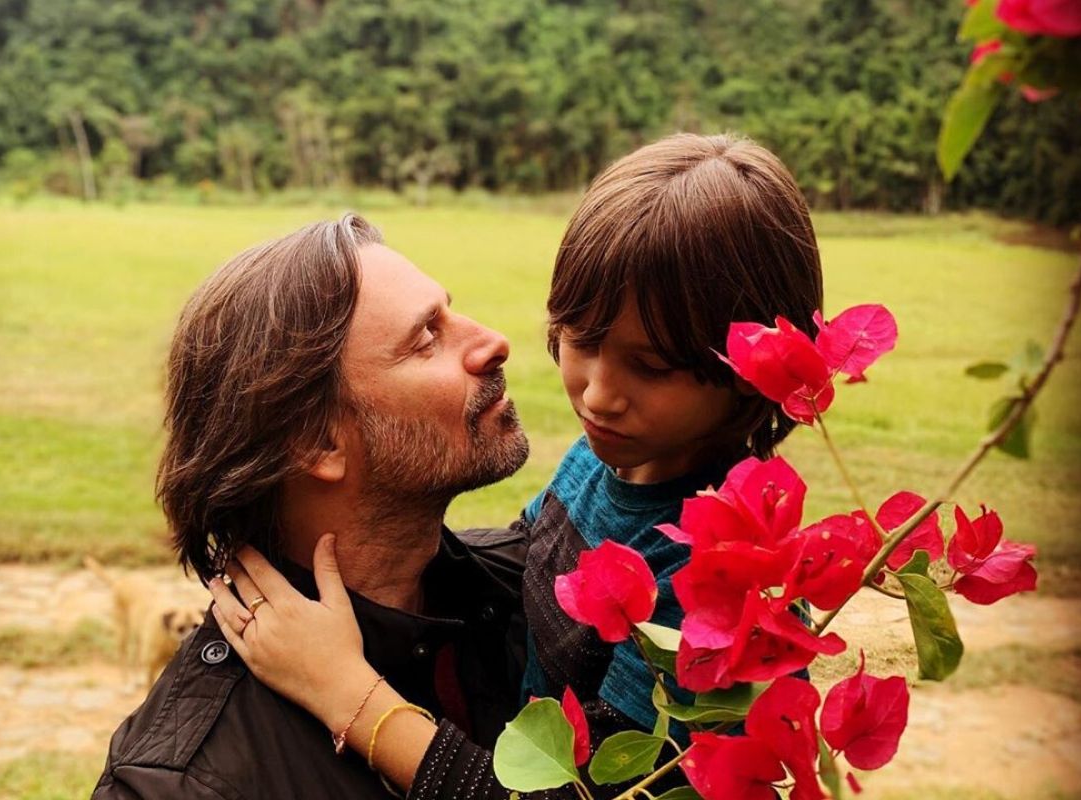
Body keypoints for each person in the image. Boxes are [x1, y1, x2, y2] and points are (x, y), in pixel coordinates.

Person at [208, 133, 826, 799]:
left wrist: (346, 692)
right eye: (581, 340)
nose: (597, 395)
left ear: (749, 375)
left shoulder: (711, 570)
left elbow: (577, 794)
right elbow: (530, 556)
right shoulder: (602, 462)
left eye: (649, 367)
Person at [92, 214, 533, 799]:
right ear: (316, 441)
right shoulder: (183, 787)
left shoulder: (543, 590)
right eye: (427, 338)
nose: (493, 342)